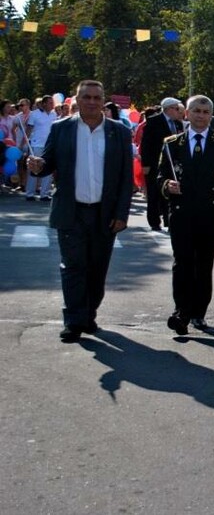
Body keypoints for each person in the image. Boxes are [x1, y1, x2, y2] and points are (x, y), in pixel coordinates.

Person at [26, 80, 133, 343]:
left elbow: (125, 177)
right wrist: (37, 166)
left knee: (97, 269)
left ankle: (89, 314)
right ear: (77, 99)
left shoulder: (118, 132)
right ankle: (73, 321)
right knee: (73, 267)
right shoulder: (61, 129)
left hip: (105, 213)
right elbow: (47, 163)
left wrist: (121, 214)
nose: (92, 102)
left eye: (97, 97)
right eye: (87, 97)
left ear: (103, 100)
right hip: (71, 212)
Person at [158, 95, 214, 335]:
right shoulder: (172, 143)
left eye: (205, 112)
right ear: (187, 113)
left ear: (211, 115)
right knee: (182, 264)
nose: (200, 116)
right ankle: (181, 311)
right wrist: (167, 186)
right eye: (196, 111)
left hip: (210, 216)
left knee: (204, 266)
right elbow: (160, 176)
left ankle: (198, 312)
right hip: (182, 214)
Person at [139, 97, 185, 231]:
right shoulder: (153, 121)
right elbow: (146, 143)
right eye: (177, 109)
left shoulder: (177, 123)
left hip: (171, 163)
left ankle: (168, 220)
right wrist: (145, 164)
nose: (179, 112)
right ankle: (154, 221)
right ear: (169, 109)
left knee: (168, 192)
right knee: (153, 192)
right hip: (153, 162)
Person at [25, 95, 56, 201]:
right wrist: (26, 143)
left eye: (53, 102)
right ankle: (30, 193)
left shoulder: (54, 114)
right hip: (36, 144)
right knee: (34, 168)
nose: (52, 105)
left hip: (48, 146)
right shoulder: (34, 114)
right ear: (44, 104)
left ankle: (45, 194)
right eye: (50, 103)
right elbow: (29, 128)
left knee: (48, 169)